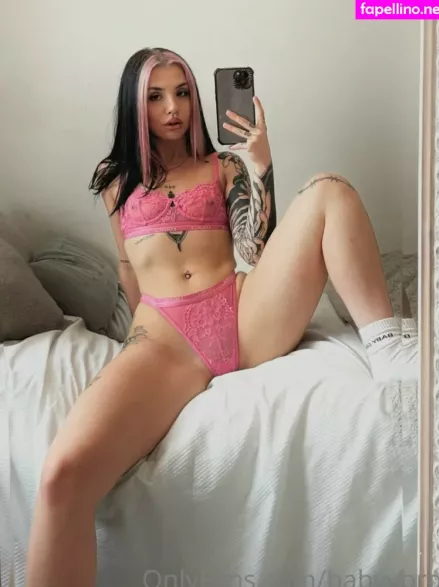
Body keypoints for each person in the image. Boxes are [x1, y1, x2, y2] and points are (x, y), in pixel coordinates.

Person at [25, 47, 418, 587]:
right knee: (62, 474)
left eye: (182, 93)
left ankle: (390, 347)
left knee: (330, 190)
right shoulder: (114, 179)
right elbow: (127, 267)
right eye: (156, 96)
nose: (173, 108)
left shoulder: (222, 166)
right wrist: (132, 346)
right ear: (134, 105)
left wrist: (261, 166)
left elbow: (256, 250)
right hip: (165, 340)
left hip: (242, 316)